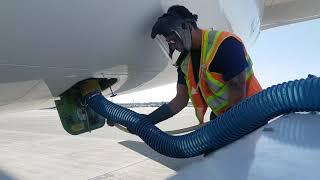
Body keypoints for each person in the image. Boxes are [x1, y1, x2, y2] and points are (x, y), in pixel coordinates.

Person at [146, 5, 262, 125]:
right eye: (169, 42)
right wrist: (149, 120)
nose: (173, 46)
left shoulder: (225, 44)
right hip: (225, 117)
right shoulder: (184, 63)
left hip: (252, 114)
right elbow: (181, 98)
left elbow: (237, 86)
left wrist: (226, 126)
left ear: (188, 27)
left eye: (174, 40)